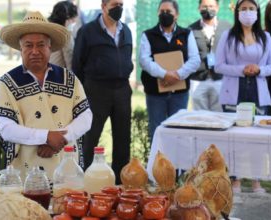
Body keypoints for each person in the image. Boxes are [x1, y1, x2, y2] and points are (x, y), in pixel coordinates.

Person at [0, 11, 92, 181]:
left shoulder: (69, 79)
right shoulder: (7, 83)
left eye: (41, 45)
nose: (35, 51)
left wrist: (60, 139)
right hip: (26, 175)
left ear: (50, 47)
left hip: (67, 171)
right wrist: (46, 137)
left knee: (67, 206)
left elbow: (86, 117)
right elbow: (6, 129)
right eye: (28, 45)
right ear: (20, 49)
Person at [215, 0, 271, 193]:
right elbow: (218, 65)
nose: (248, 13)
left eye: (251, 9)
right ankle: (235, 180)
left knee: (257, 137)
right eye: (244, 9)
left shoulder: (265, 37)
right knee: (234, 138)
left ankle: (256, 180)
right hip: (234, 92)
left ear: (257, 12)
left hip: (258, 91)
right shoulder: (228, 36)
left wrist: (259, 69)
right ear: (237, 12)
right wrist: (243, 69)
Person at [72, 0, 134, 184]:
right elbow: (77, 64)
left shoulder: (126, 31)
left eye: (121, 4)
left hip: (122, 90)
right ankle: (85, 182)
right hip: (96, 91)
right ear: (103, 6)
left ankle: (120, 184)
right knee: (89, 139)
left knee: (123, 140)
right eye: (115, 4)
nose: (119, 8)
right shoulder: (88, 31)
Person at [139, 0, 201, 140]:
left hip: (179, 94)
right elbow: (144, 60)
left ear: (177, 15)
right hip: (155, 94)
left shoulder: (186, 34)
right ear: (157, 13)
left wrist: (177, 75)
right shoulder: (148, 35)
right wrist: (164, 74)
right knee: (156, 131)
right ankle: (157, 161)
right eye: (162, 12)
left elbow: (195, 60)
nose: (165, 14)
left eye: (169, 12)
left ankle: (177, 162)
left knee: (179, 132)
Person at [189, 0, 231, 112]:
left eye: (211, 6)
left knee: (219, 114)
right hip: (197, 79)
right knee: (198, 116)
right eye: (204, 6)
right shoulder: (191, 29)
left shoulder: (227, 27)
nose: (208, 9)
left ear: (217, 8)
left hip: (220, 79)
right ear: (199, 8)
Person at [48, 1, 78, 69]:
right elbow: (69, 60)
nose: (74, 21)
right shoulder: (65, 34)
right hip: (59, 75)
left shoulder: (49, 31)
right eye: (73, 18)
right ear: (68, 18)